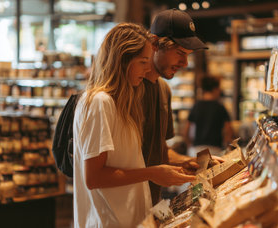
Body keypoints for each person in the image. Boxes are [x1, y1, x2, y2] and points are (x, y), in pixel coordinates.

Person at [73, 23, 196, 228]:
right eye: (143, 62)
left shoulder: (122, 102)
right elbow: (94, 177)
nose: (148, 68)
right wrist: (153, 172)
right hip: (107, 221)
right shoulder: (99, 103)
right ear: (122, 61)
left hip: (129, 219)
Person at [142, 8, 216, 205]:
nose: (184, 63)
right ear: (156, 44)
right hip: (119, 208)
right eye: (180, 53)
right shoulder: (129, 91)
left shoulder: (163, 90)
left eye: (188, 55)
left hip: (150, 203)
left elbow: (159, 151)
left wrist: (188, 161)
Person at [184, 75, 235, 157]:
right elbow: (229, 132)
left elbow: (186, 131)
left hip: (196, 150)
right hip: (215, 151)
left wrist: (190, 147)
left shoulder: (196, 106)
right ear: (215, 89)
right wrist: (228, 148)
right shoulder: (220, 107)